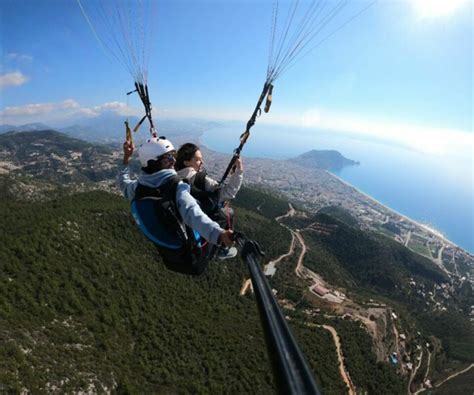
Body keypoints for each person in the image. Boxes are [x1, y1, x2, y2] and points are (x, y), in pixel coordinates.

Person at [117, 136, 234, 274]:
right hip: (194, 258)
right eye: (168, 158)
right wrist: (219, 234)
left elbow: (124, 185)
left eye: (174, 156)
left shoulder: (138, 187)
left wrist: (126, 158)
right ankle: (221, 250)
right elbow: (192, 212)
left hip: (170, 255)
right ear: (153, 163)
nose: (174, 161)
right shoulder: (177, 186)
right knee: (225, 213)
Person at [175, 143, 243, 259]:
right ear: (186, 163)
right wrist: (239, 171)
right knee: (229, 212)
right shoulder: (200, 180)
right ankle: (223, 248)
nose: (202, 162)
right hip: (204, 218)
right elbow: (229, 192)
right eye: (197, 160)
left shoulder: (174, 176)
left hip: (185, 220)